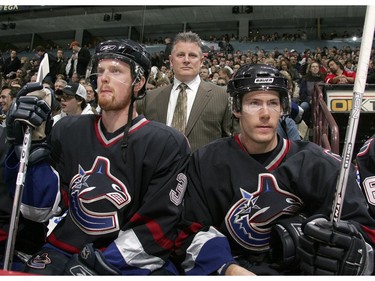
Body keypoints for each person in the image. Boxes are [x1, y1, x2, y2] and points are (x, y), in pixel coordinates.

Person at [4, 38, 190, 275]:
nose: (104, 77)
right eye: (100, 70)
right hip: (64, 249)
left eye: (115, 71)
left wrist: (98, 263)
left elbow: (158, 227)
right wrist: (28, 145)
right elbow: (37, 211)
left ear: (139, 81)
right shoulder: (67, 129)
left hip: (131, 260)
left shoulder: (167, 143)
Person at [173, 64, 375, 275]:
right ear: (236, 108)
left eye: (273, 103)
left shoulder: (319, 164)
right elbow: (190, 232)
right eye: (254, 103)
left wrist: (354, 251)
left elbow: (364, 230)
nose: (265, 114)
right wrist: (228, 269)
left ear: (282, 109)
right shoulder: (206, 161)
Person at [137, 31, 234, 153]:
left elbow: (231, 143)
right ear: (171, 61)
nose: (186, 60)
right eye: (181, 55)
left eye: (192, 55)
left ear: (201, 61)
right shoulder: (150, 97)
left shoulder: (222, 96)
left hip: (205, 170)